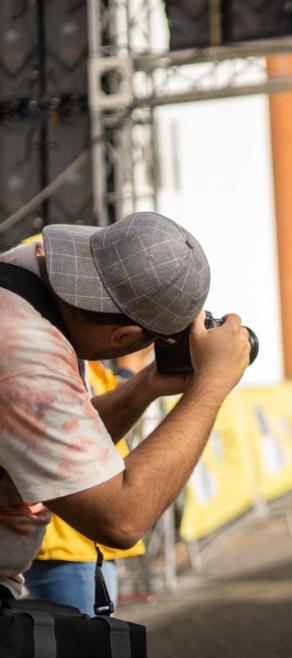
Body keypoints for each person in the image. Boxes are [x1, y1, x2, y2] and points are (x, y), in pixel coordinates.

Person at [0, 211, 251, 602]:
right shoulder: (30, 357)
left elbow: (56, 442)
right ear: (124, 336)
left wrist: (144, 386)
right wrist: (211, 386)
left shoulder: (25, 272)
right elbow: (121, 517)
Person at [23, 360, 146, 614]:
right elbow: (73, 430)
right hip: (68, 539)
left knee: (88, 646)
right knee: (86, 649)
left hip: (80, 537)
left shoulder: (83, 352)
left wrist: (130, 374)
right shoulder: (53, 343)